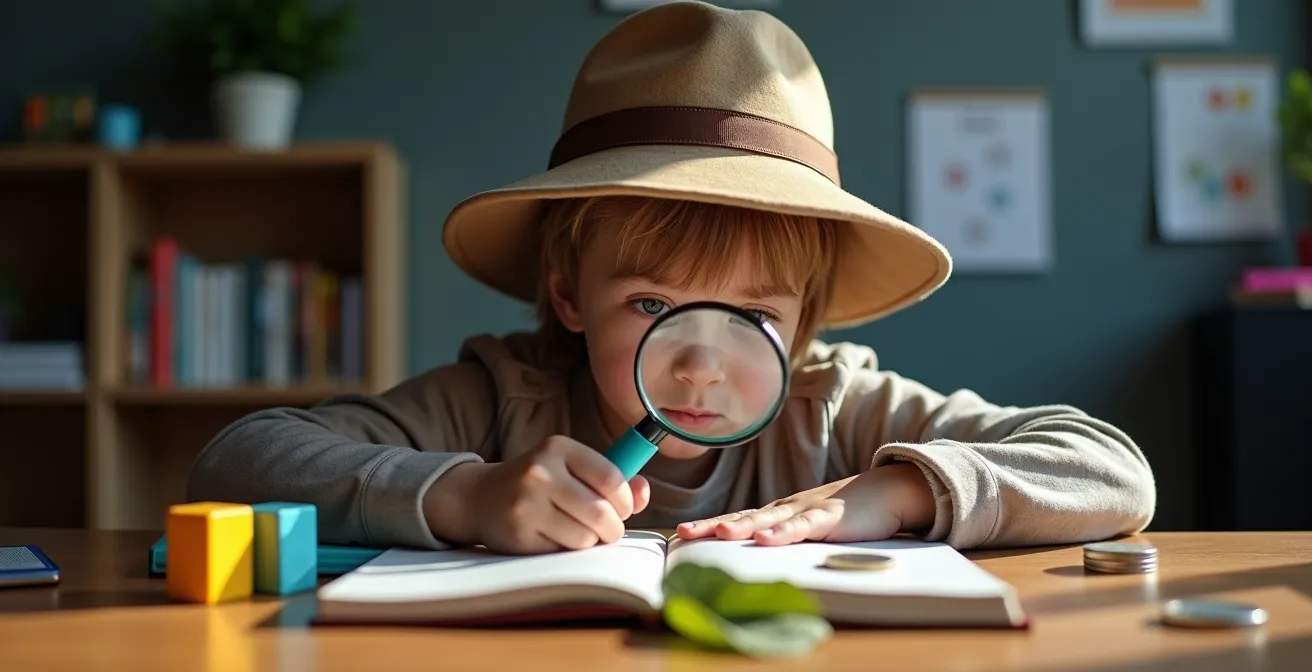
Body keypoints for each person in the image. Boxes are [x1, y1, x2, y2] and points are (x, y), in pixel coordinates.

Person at [186, 0, 1156, 555]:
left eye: (751, 316)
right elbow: (240, 457)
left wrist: (885, 495)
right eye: (650, 305)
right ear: (568, 294)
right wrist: (465, 495)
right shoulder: (504, 395)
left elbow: (1114, 472)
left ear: (806, 327)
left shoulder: (833, 408)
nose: (697, 367)